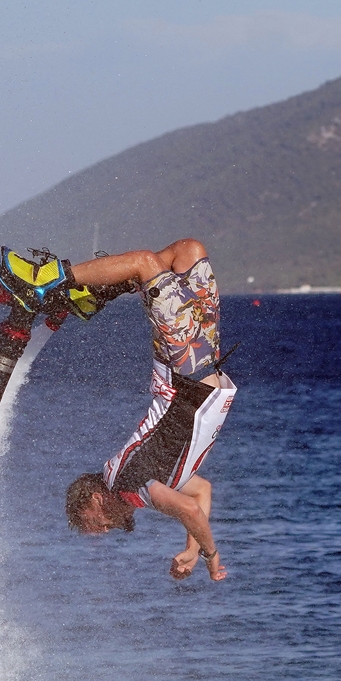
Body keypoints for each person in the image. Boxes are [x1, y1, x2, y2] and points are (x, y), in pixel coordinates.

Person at [64, 238, 234, 582]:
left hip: (186, 370)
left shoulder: (127, 484)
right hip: (203, 361)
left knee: (144, 263)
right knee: (189, 251)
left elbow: (188, 510)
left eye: (98, 522)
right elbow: (201, 492)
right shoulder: (148, 477)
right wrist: (190, 547)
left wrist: (210, 556)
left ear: (96, 498)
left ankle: (53, 280)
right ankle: (114, 280)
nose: (109, 527)